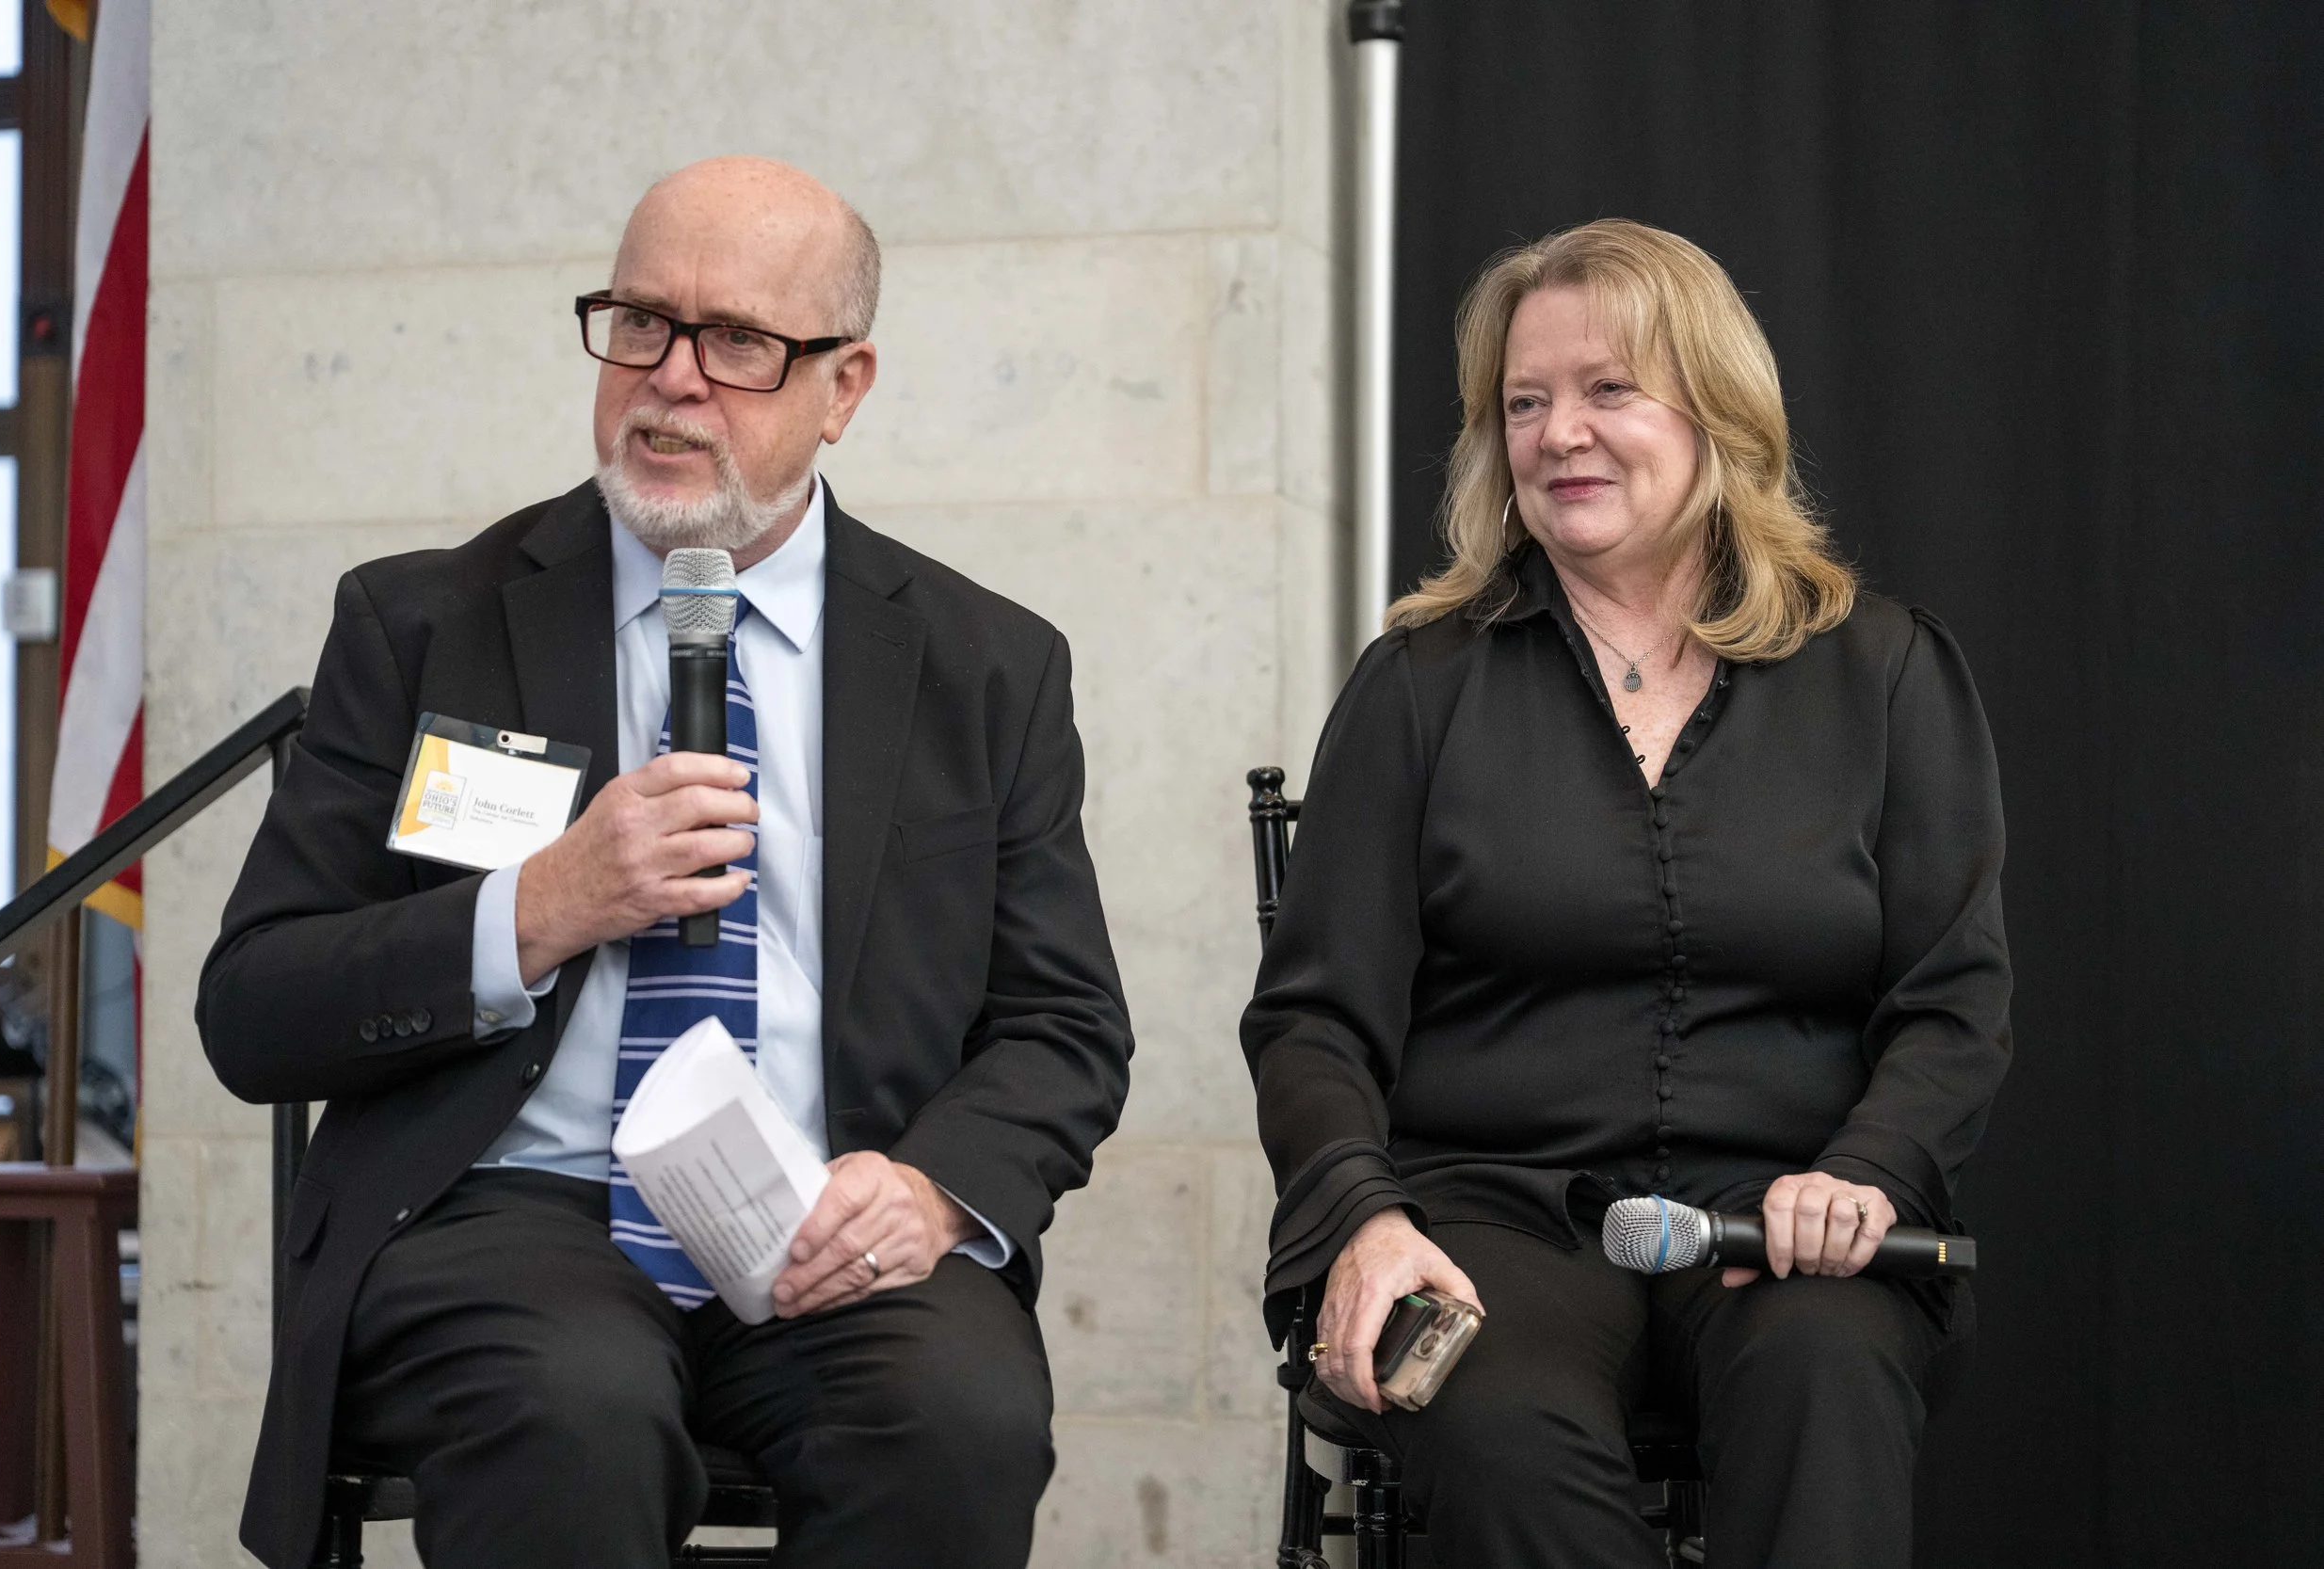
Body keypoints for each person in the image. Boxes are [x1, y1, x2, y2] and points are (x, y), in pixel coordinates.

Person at [198, 157, 1132, 1569]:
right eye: (640, 322)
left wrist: (932, 1190)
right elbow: (255, 1006)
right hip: (511, 1212)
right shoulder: (427, 626)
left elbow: (1064, 1026)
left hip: (827, 1210)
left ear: (844, 386)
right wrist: (538, 907)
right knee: (573, 1413)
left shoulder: (985, 667)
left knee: (957, 1416)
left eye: (738, 342)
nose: (672, 378)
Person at [1240, 218, 2011, 1567]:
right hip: (1485, 1214)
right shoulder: (1421, 684)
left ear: (1719, 412)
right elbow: (1313, 1022)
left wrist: (1866, 1173)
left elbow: (1952, 1000)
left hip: (1785, 1218)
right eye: (1524, 403)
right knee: (1496, 1419)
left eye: (1609, 389)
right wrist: (1365, 1217)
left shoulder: (1886, 673)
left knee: (1826, 1375)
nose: (1559, 435)